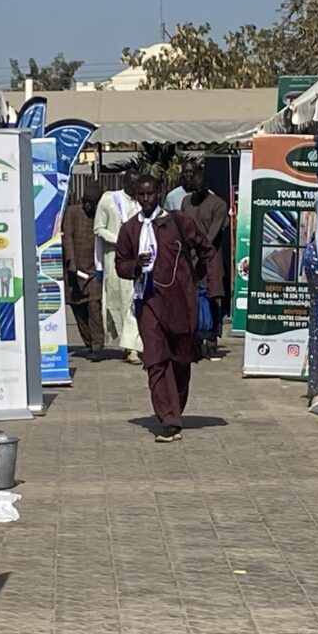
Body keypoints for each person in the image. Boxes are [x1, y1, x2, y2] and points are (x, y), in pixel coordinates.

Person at [117, 184, 214, 442]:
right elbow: (120, 264)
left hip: (180, 302)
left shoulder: (178, 222)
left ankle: (175, 409)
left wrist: (212, 287)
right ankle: (168, 419)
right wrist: (134, 265)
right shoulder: (130, 229)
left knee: (180, 361)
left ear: (158, 194)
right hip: (148, 303)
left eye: (149, 193)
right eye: (141, 194)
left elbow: (207, 250)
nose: (145, 198)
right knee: (155, 360)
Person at [91, 173, 142, 363]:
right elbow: (98, 228)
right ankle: (127, 345)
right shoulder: (109, 199)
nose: (136, 187)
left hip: (136, 258)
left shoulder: (140, 203)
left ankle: (133, 348)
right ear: (125, 182)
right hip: (114, 257)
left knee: (133, 301)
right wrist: (118, 239)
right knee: (118, 302)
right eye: (133, 183)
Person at [180, 179, 233, 351]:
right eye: (193, 190)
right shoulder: (186, 202)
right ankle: (194, 338)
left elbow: (213, 233)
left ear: (205, 187)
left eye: (198, 190)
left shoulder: (218, 204)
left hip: (211, 256)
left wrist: (198, 250)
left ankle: (212, 338)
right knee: (191, 297)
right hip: (189, 256)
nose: (195, 194)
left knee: (213, 295)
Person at [61, 186, 102, 354]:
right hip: (75, 269)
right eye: (85, 201)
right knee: (78, 308)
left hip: (93, 269)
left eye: (91, 203)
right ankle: (89, 342)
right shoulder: (72, 212)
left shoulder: (100, 216)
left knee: (94, 307)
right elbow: (67, 237)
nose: (87, 205)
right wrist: (71, 262)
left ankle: (97, 346)